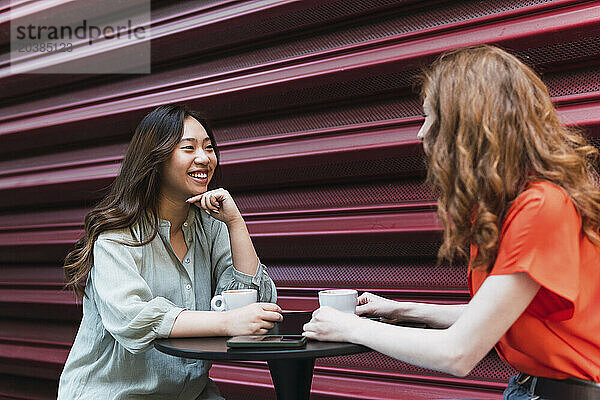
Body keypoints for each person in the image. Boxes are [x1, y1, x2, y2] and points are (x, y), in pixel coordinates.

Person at [303, 45, 600, 399]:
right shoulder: (514, 205)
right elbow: (492, 316)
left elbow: (457, 353)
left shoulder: (542, 206)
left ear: (468, 123)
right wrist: (402, 310)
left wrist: (348, 327)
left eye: (429, 117)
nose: (421, 133)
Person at [58, 105, 282, 399]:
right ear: (156, 159)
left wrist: (235, 223)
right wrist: (226, 322)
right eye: (188, 148)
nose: (204, 158)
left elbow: (257, 305)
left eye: (209, 147)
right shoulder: (116, 235)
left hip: (190, 393)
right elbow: (133, 319)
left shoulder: (211, 226)